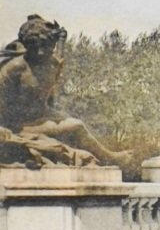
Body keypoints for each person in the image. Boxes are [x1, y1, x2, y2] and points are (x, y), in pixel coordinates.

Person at [0, 15, 129, 166]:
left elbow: (58, 59)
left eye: (46, 46)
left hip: (43, 115)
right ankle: (109, 158)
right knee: (77, 126)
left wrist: (61, 40)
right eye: (35, 47)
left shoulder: (51, 63)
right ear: (26, 45)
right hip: (20, 124)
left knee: (73, 125)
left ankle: (106, 157)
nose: (41, 52)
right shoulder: (15, 68)